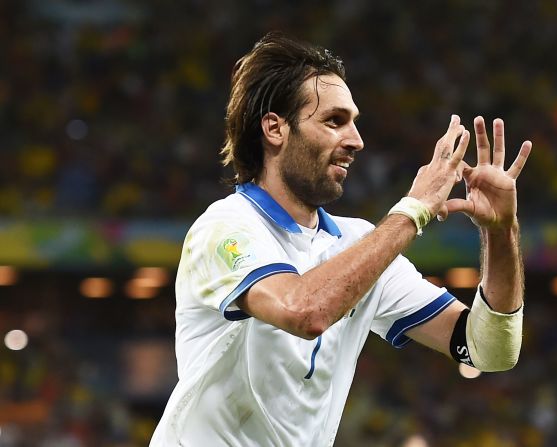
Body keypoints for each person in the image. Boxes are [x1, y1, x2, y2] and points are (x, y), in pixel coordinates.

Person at [150, 32, 532, 446]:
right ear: (275, 129)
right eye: (334, 121)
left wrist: (501, 233)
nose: (356, 140)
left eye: (354, 122)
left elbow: (489, 350)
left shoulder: (358, 242)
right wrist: (414, 208)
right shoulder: (224, 227)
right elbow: (305, 311)